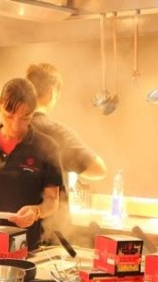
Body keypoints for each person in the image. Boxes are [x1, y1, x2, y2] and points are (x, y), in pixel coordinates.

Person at [0, 77, 62, 251]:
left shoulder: (47, 147)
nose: (16, 126)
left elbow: (52, 200)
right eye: (9, 116)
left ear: (33, 113)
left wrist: (36, 211)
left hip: (24, 246)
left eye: (25, 118)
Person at [26, 63, 107, 232]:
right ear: (52, 93)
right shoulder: (56, 133)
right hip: (47, 233)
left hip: (9, 231)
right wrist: (70, 164)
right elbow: (99, 169)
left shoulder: (9, 130)